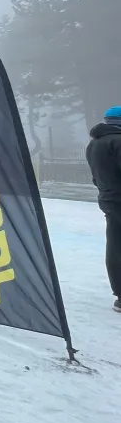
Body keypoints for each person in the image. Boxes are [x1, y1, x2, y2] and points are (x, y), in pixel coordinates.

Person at [86, 106, 121, 312]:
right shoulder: (118, 141)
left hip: (108, 199)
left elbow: (95, 176)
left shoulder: (94, 144)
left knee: (116, 246)